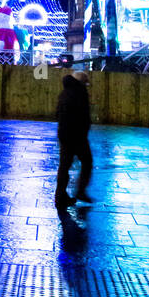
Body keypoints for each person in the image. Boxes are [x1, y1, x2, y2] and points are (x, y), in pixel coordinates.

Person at [54, 70, 93, 207]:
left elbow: (57, 113)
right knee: (87, 161)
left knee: (64, 166)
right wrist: (83, 132)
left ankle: (60, 196)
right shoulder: (80, 93)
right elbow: (83, 116)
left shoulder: (65, 92)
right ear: (82, 82)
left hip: (64, 133)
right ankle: (80, 191)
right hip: (77, 135)